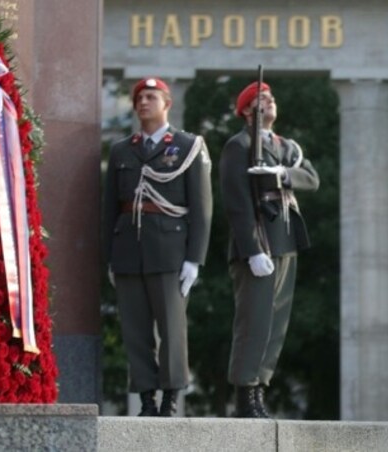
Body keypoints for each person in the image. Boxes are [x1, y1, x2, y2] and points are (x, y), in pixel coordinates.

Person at [102, 77, 213, 416]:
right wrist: (109, 257)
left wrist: (194, 258)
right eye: (139, 98)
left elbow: (202, 207)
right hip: (128, 251)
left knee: (172, 330)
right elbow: (109, 208)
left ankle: (171, 396)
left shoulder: (187, 145)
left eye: (151, 97)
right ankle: (146, 397)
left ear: (167, 104)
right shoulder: (122, 149)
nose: (143, 102)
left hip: (169, 251)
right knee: (135, 331)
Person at [220, 81, 320, 418]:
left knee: (276, 323)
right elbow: (236, 203)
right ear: (247, 111)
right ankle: (245, 392)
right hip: (257, 243)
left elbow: (312, 179)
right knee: (254, 321)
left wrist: (281, 174)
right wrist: (252, 250)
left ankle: (260, 388)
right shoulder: (239, 145)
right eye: (260, 100)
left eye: (271, 98)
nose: (269, 102)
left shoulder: (286, 147)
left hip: (285, 241)